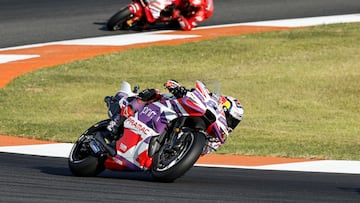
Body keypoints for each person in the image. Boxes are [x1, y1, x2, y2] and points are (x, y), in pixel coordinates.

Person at [106, 80, 243, 143]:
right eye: (231, 119)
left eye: (234, 123)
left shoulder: (215, 140)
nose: (231, 124)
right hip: (168, 107)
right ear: (223, 108)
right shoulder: (208, 103)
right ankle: (119, 120)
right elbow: (192, 95)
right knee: (153, 93)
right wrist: (177, 88)